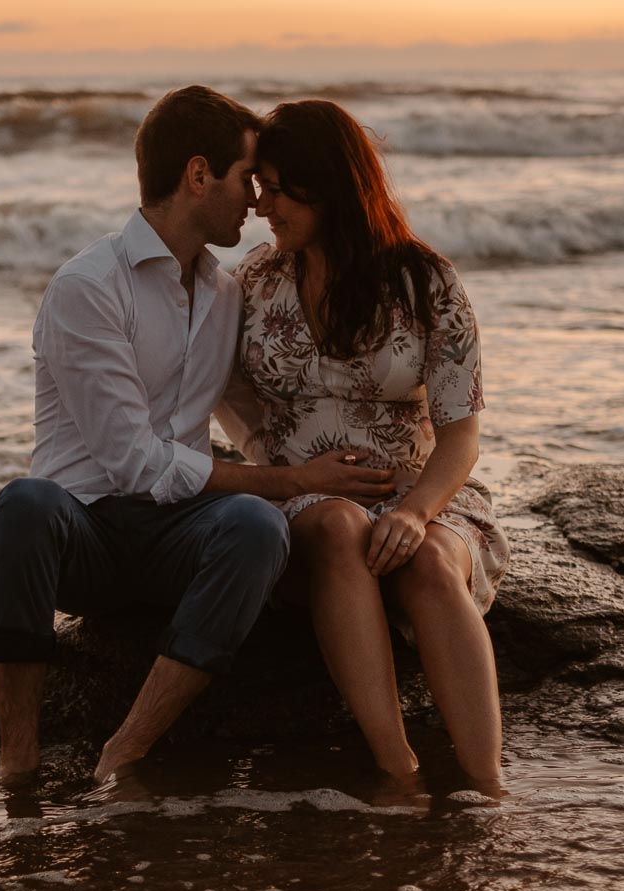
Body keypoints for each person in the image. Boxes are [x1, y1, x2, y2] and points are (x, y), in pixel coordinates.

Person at [0, 87, 395, 786]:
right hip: (88, 534)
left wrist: (344, 483)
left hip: (181, 539)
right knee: (24, 505)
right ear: (199, 175)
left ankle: (126, 749)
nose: (257, 201)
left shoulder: (227, 292)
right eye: (246, 179)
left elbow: (257, 408)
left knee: (258, 527)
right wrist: (294, 479)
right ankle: (17, 760)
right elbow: (134, 464)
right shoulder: (88, 287)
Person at [218, 100, 512, 787]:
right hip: (302, 495)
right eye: (261, 186)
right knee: (336, 524)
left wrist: (416, 513)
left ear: (334, 186)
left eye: (281, 188)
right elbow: (226, 390)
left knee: (432, 562)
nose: (264, 205)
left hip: (420, 488)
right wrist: (272, 458)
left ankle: (488, 785)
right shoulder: (257, 281)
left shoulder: (425, 281)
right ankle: (398, 769)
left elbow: (461, 431)